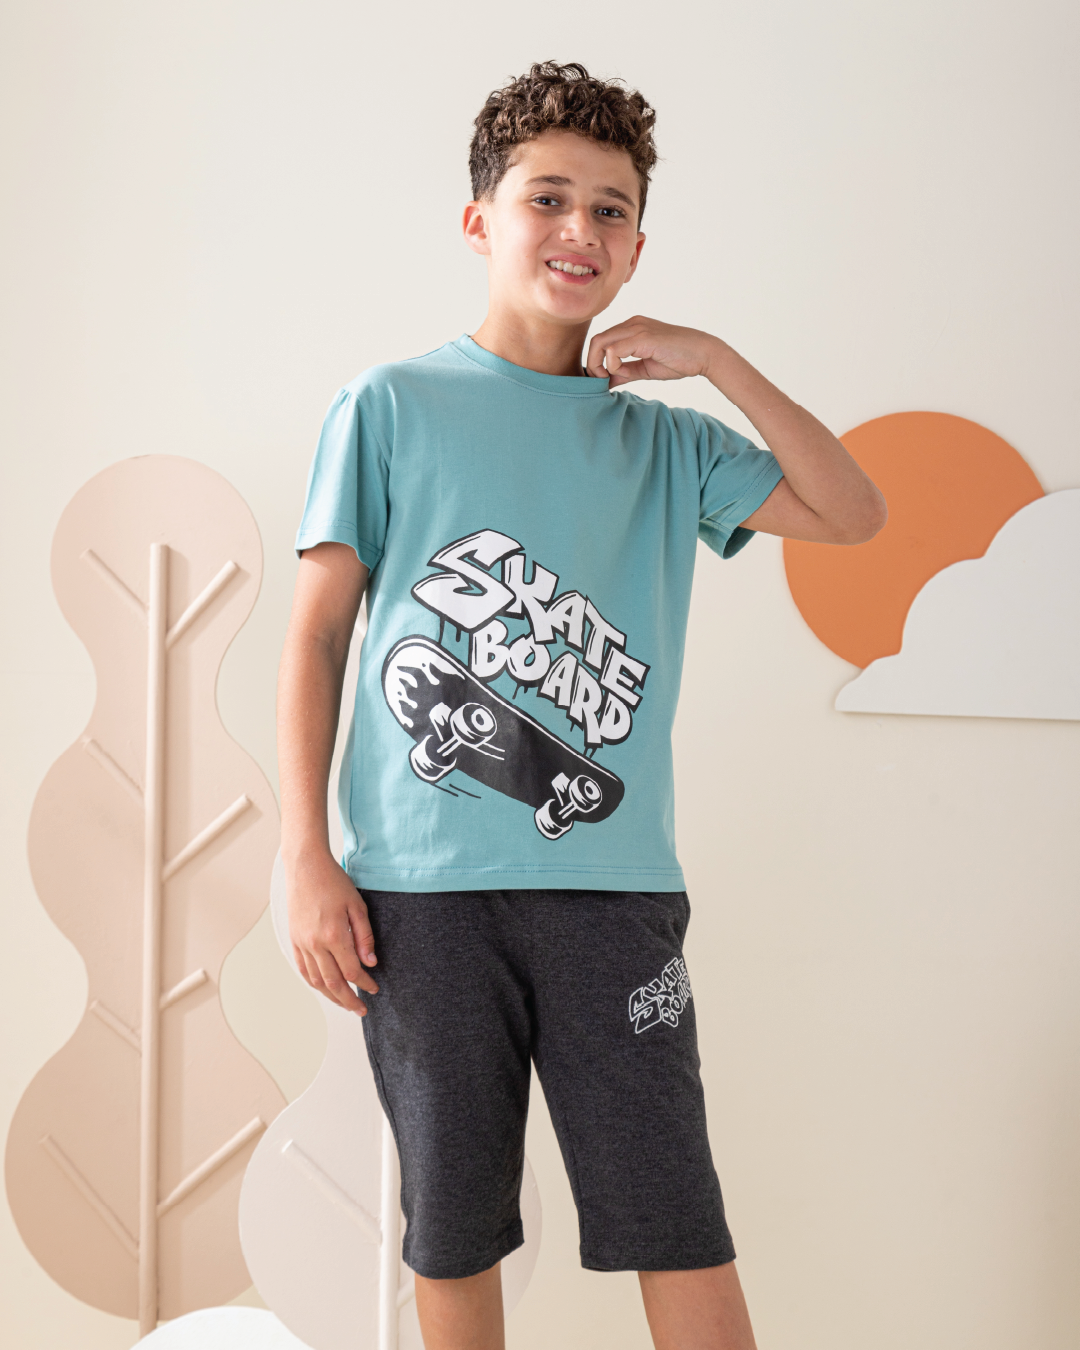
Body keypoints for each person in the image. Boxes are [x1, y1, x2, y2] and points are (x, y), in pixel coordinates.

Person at [277, 60, 885, 1350]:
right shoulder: (390, 406)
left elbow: (854, 512)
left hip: (613, 894)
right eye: (546, 197)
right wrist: (303, 855)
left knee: (675, 1218)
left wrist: (715, 361)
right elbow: (319, 635)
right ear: (479, 219)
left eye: (611, 210)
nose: (579, 229)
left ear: (638, 248)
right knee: (452, 1227)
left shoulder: (669, 445)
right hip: (420, 895)